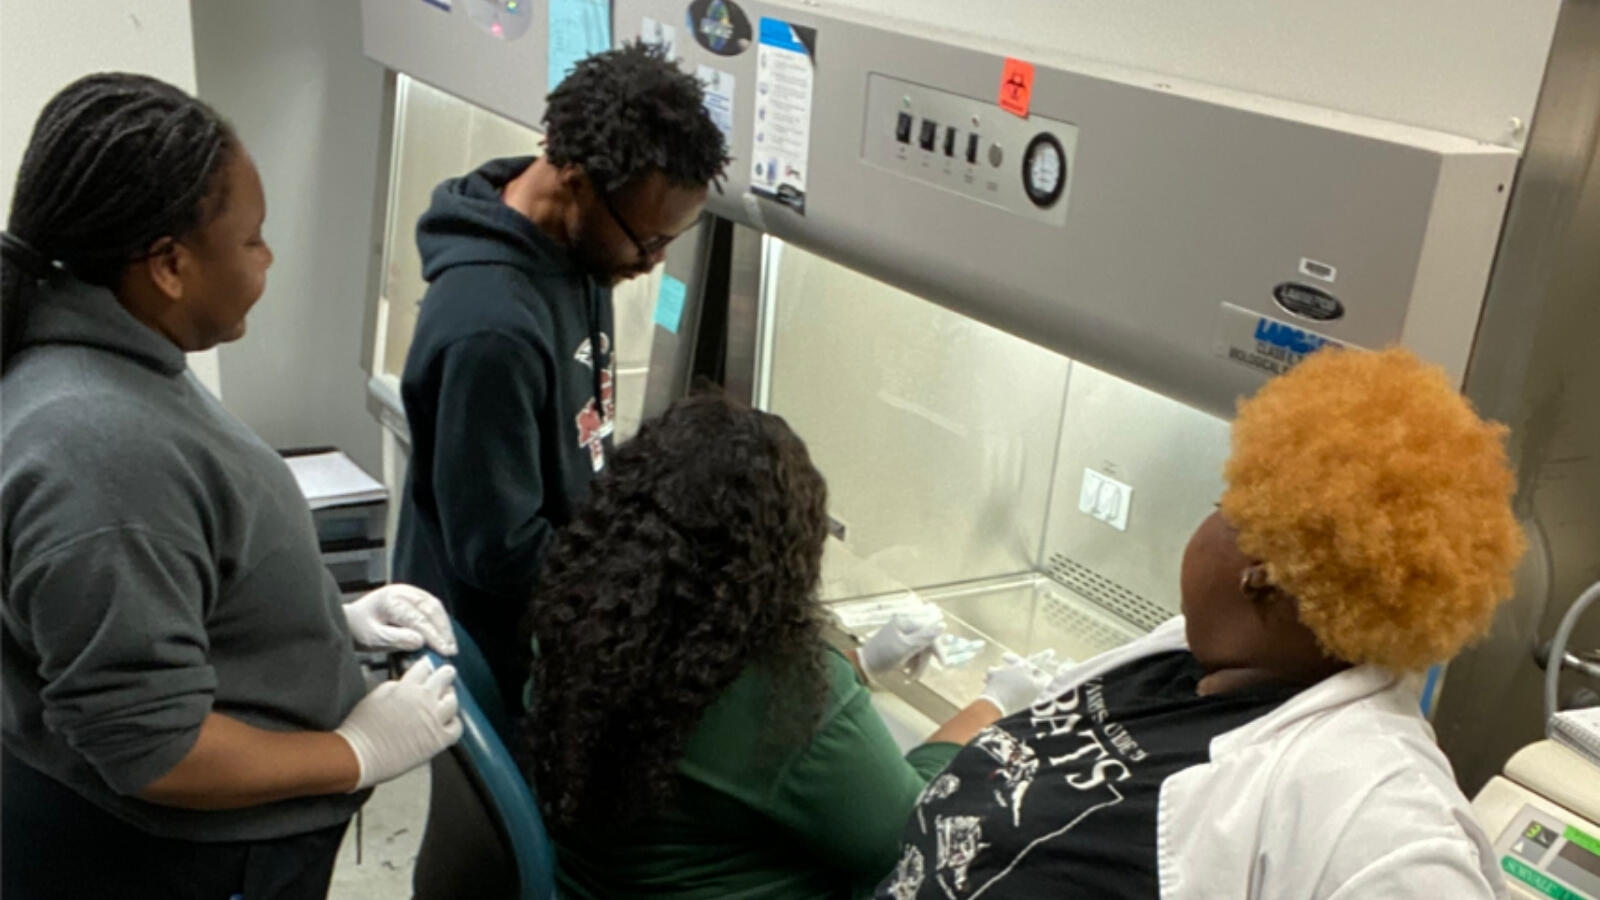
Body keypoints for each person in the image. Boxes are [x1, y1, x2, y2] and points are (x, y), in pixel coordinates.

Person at [1, 73, 462, 900]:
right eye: (252, 239)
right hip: (184, 861)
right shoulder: (97, 447)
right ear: (170, 265)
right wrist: (356, 751)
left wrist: (320, 624)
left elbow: (151, 586)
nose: (267, 256)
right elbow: (155, 750)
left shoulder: (116, 361)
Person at [876, 346, 1525, 899]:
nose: (1205, 525)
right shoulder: (1189, 660)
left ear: (1262, 576)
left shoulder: (1377, 810)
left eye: (1227, 508)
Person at [521, 392, 1051, 899]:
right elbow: (909, 838)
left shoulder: (588, 621)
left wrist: (861, 664)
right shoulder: (785, 695)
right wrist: (993, 707)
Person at [393, 42, 731, 701]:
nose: (653, 262)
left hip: (554, 626)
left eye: (670, 241)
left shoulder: (579, 250)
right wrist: (638, 597)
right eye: (648, 240)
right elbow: (499, 551)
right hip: (498, 661)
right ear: (574, 182)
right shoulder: (490, 329)